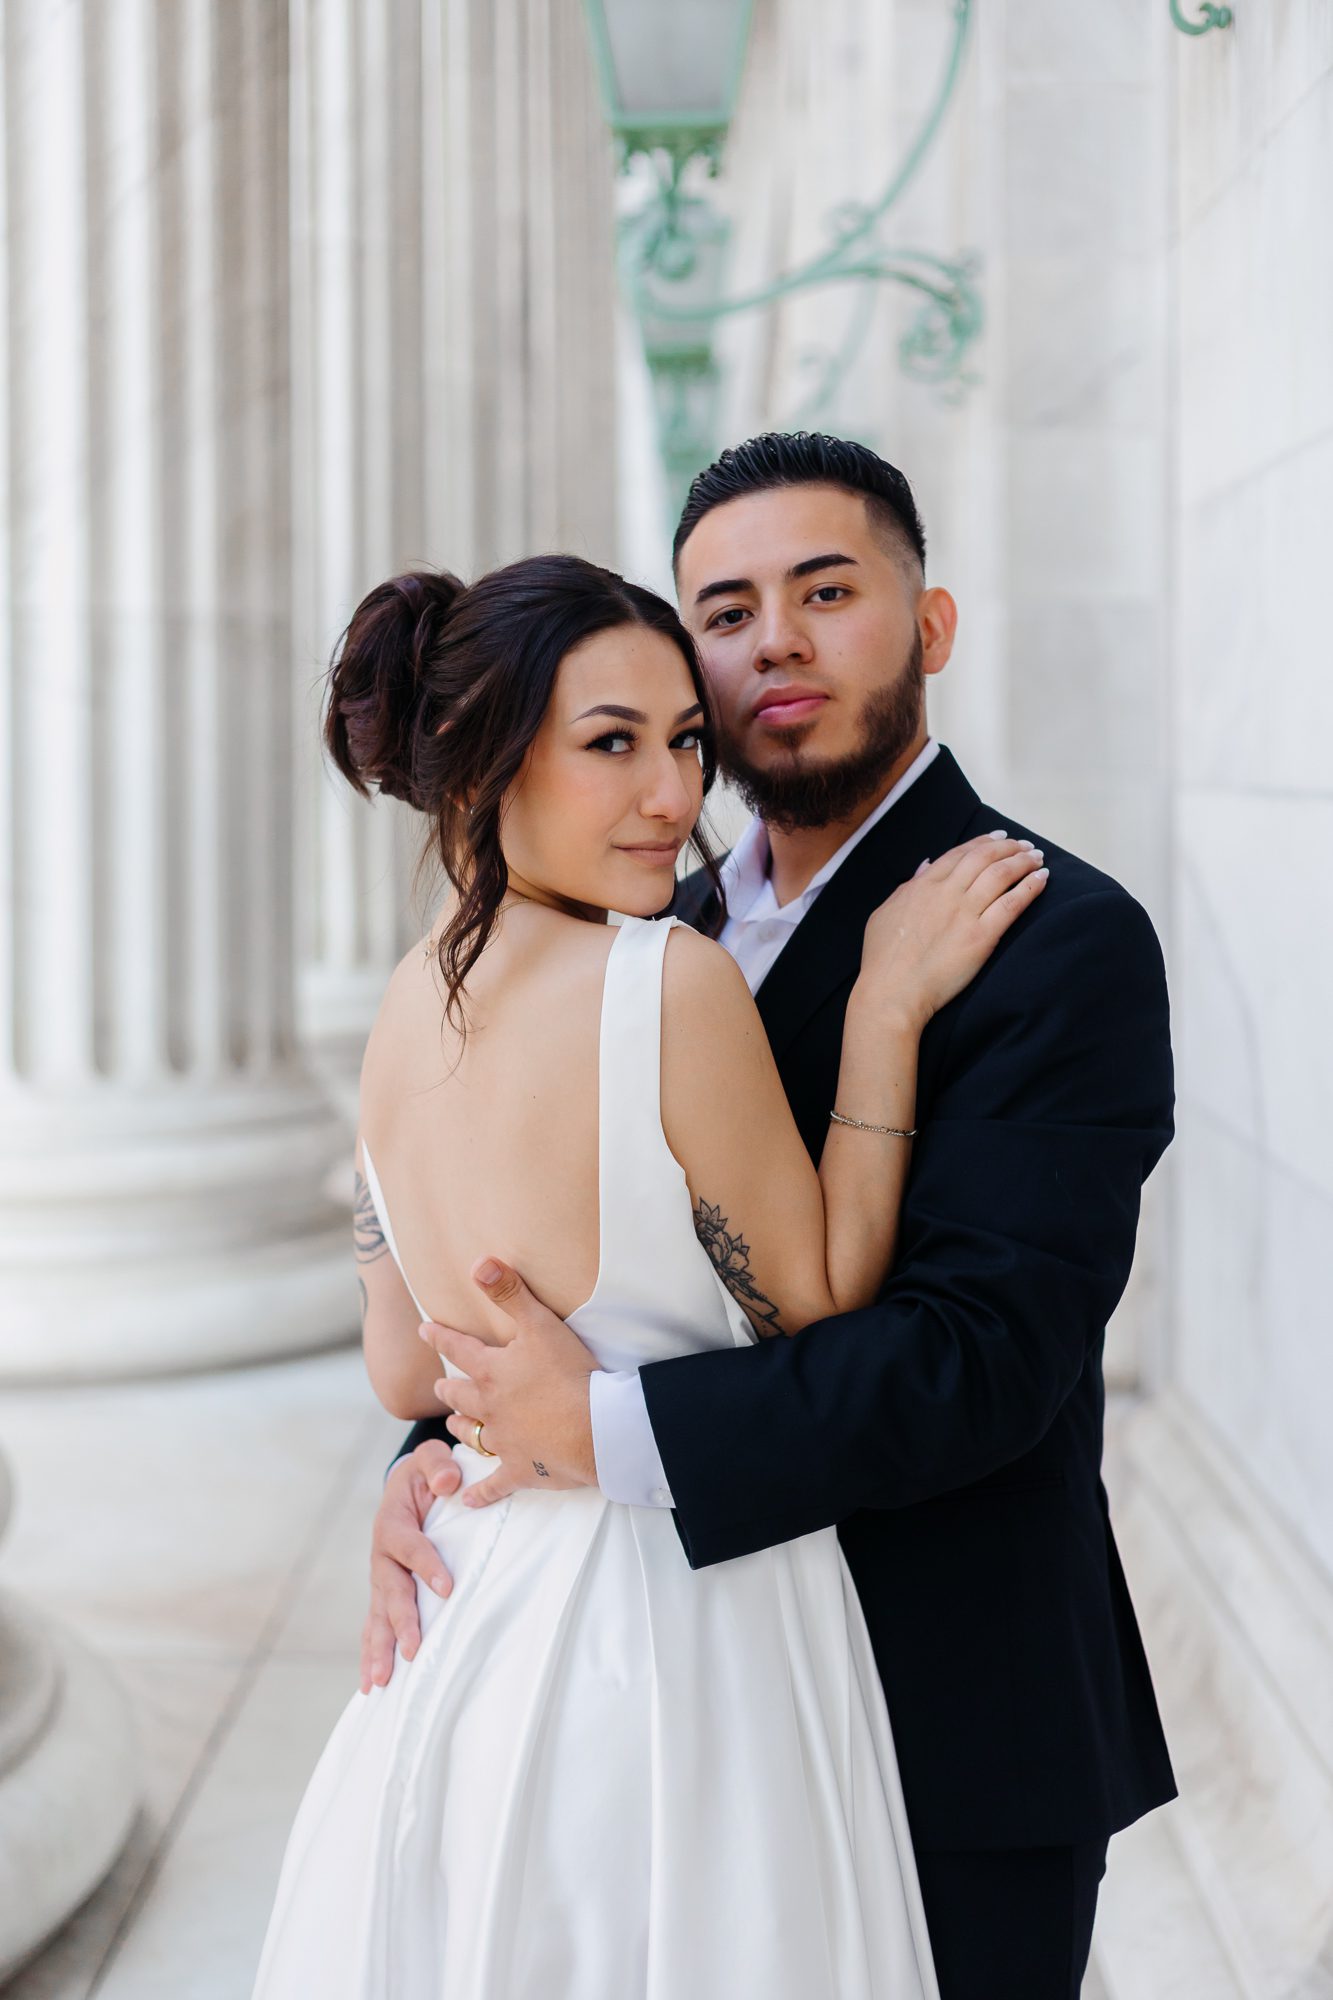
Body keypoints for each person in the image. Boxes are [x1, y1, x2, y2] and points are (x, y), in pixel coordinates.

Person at [370, 434, 1178, 2000]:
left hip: (940, 1722)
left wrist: (591, 1429)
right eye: (723, 611)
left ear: (928, 627)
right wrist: (436, 1460)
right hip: (657, 1718)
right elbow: (516, 1257)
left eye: (826, 590)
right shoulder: (635, 927)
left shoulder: (1056, 935)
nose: (773, 642)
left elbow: (975, 1365)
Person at [251, 546, 1046, 1999]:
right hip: (672, 1619)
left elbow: (406, 1369)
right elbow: (815, 1303)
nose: (674, 798)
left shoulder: (401, 1005)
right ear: (484, 765)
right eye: (610, 745)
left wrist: (449, 1444)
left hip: (469, 1611)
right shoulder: (664, 983)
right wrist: (879, 1013)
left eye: (684, 741)